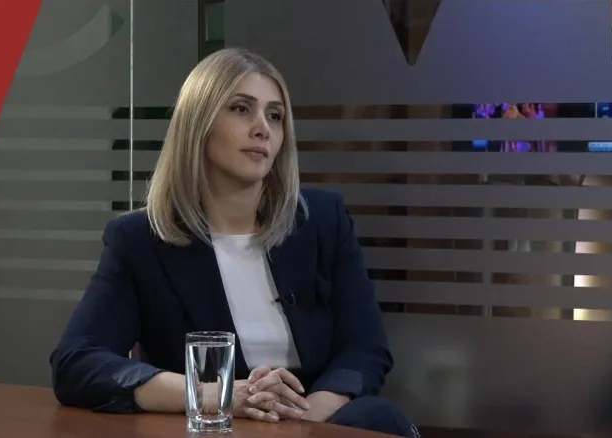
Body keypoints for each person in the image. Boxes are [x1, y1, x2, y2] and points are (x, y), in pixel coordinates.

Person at [50, 47, 419, 438]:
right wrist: (214, 395)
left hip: (316, 420)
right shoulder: (141, 241)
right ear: (199, 123)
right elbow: (77, 362)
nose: (262, 129)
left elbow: (364, 347)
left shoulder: (322, 221)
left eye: (274, 116)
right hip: (212, 427)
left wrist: (304, 416)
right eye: (241, 109)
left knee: (379, 418)